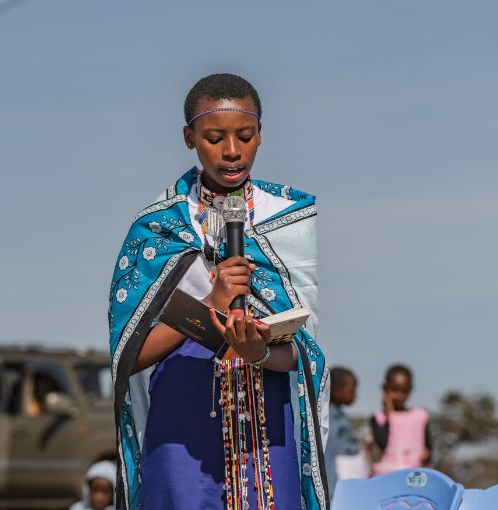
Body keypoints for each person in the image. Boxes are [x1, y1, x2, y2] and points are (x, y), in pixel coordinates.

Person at [108, 73, 329, 510]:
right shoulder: (156, 229)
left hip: (270, 419)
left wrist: (258, 353)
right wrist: (211, 304)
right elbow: (128, 356)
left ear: (260, 135)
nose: (232, 151)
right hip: (181, 419)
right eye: (214, 137)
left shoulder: (289, 218)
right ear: (189, 137)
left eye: (244, 136)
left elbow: (305, 351)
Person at [370, 364, 432, 475]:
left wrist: (426, 455)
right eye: (394, 390)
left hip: (415, 476)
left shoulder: (420, 416)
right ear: (385, 388)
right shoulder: (378, 417)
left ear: (410, 389)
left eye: (404, 391)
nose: (399, 396)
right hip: (386, 476)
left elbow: (428, 447)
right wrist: (389, 413)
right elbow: (382, 443)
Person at [325, 367, 361, 495]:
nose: (355, 394)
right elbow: (328, 456)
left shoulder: (340, 416)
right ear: (337, 390)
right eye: (352, 389)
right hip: (335, 486)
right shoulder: (330, 419)